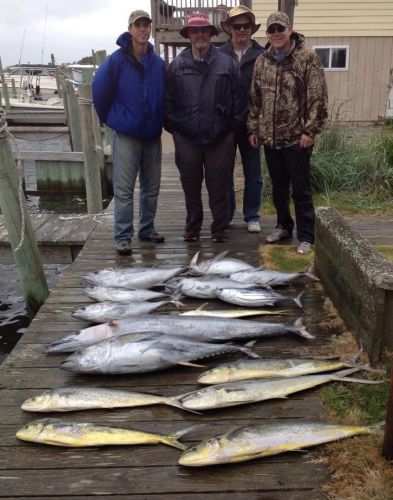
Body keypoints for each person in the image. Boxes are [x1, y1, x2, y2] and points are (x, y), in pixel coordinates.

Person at [248, 11, 328, 255]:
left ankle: (306, 236)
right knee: (279, 188)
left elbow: (318, 98)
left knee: (301, 190)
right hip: (270, 139)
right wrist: (253, 128)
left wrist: (310, 130)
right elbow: (254, 99)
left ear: (290, 29)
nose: (276, 34)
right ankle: (284, 226)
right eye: (271, 30)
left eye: (280, 29)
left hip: (297, 139)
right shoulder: (262, 60)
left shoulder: (307, 57)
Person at [165, 12, 243, 243]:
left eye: (204, 30)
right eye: (195, 30)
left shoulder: (227, 64)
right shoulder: (176, 66)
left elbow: (239, 101)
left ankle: (219, 229)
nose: (200, 35)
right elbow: (167, 103)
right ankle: (192, 228)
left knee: (219, 186)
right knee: (191, 186)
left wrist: (231, 132)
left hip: (220, 138)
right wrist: (176, 132)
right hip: (187, 138)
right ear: (189, 34)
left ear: (211, 33)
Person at [92, 10, 165, 256]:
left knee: (151, 187)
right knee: (124, 190)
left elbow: (166, 95)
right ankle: (123, 237)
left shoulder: (158, 64)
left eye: (146, 25)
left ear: (150, 29)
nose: (143, 29)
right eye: (138, 25)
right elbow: (99, 92)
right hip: (127, 136)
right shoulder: (115, 60)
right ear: (130, 29)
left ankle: (147, 228)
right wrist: (112, 119)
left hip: (153, 136)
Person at [219, 5, 264, 233]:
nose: (242, 30)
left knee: (253, 173)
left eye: (246, 26)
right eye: (237, 26)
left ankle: (252, 215)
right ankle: (226, 214)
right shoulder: (218, 54)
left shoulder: (262, 55)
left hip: (251, 125)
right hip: (226, 125)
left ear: (252, 29)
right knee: (224, 172)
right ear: (229, 28)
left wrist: (258, 126)